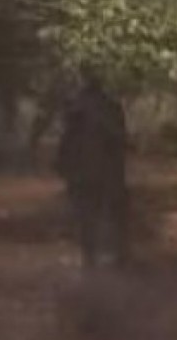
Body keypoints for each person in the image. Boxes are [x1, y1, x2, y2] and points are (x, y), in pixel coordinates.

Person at [56, 73, 130, 268]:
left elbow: (66, 140)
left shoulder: (75, 108)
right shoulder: (110, 108)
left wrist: (62, 164)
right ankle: (102, 253)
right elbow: (120, 141)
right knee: (100, 211)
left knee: (85, 213)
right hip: (101, 170)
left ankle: (90, 253)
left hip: (81, 170)